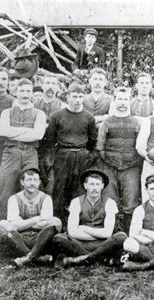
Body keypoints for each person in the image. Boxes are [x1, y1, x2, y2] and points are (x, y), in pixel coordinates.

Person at [0, 78, 47, 220]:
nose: (25, 94)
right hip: (11, 152)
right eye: (22, 90)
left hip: (30, 153)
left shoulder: (39, 114)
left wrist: (14, 132)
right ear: (15, 92)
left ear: (32, 93)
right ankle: (4, 223)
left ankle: (29, 223)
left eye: (28, 91)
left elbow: (38, 135)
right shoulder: (7, 112)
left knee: (31, 186)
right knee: (5, 187)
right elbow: (2, 131)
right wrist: (27, 132)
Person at [53, 169, 126, 267]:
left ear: (102, 186)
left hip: (102, 243)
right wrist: (98, 234)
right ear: (85, 186)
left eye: (97, 184)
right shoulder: (76, 202)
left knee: (121, 237)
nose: (94, 188)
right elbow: (72, 231)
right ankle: (98, 258)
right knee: (59, 238)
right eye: (91, 184)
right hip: (80, 243)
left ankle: (81, 259)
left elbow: (108, 233)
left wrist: (84, 228)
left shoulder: (110, 203)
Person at [47, 83, 98, 222]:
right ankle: (57, 223)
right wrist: (52, 160)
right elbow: (50, 140)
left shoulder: (89, 117)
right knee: (59, 189)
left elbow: (93, 141)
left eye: (80, 97)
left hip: (82, 156)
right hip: (63, 156)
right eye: (74, 96)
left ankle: (78, 223)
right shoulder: (57, 116)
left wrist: (88, 156)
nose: (77, 100)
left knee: (80, 189)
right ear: (67, 97)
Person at [96, 87, 141, 234]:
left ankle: (129, 237)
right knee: (110, 202)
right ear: (114, 101)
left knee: (131, 202)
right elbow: (100, 147)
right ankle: (111, 236)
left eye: (125, 99)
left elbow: (140, 146)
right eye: (119, 99)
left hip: (131, 168)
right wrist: (110, 162)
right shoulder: (107, 123)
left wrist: (131, 162)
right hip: (109, 167)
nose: (122, 103)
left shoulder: (136, 123)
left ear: (130, 101)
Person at [0, 167, 62, 267]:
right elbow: (13, 225)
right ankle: (35, 257)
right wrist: (36, 219)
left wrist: (22, 222)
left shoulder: (46, 198)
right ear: (22, 182)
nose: (32, 183)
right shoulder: (14, 198)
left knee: (56, 222)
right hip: (20, 239)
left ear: (39, 182)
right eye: (29, 180)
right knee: (2, 224)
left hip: (40, 239)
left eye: (35, 180)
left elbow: (45, 224)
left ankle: (27, 258)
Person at [34, 74, 66, 195]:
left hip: (55, 149)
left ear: (58, 88)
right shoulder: (34, 105)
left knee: (53, 183)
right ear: (42, 86)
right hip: (37, 148)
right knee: (37, 180)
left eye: (53, 84)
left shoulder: (63, 107)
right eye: (47, 83)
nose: (50, 87)